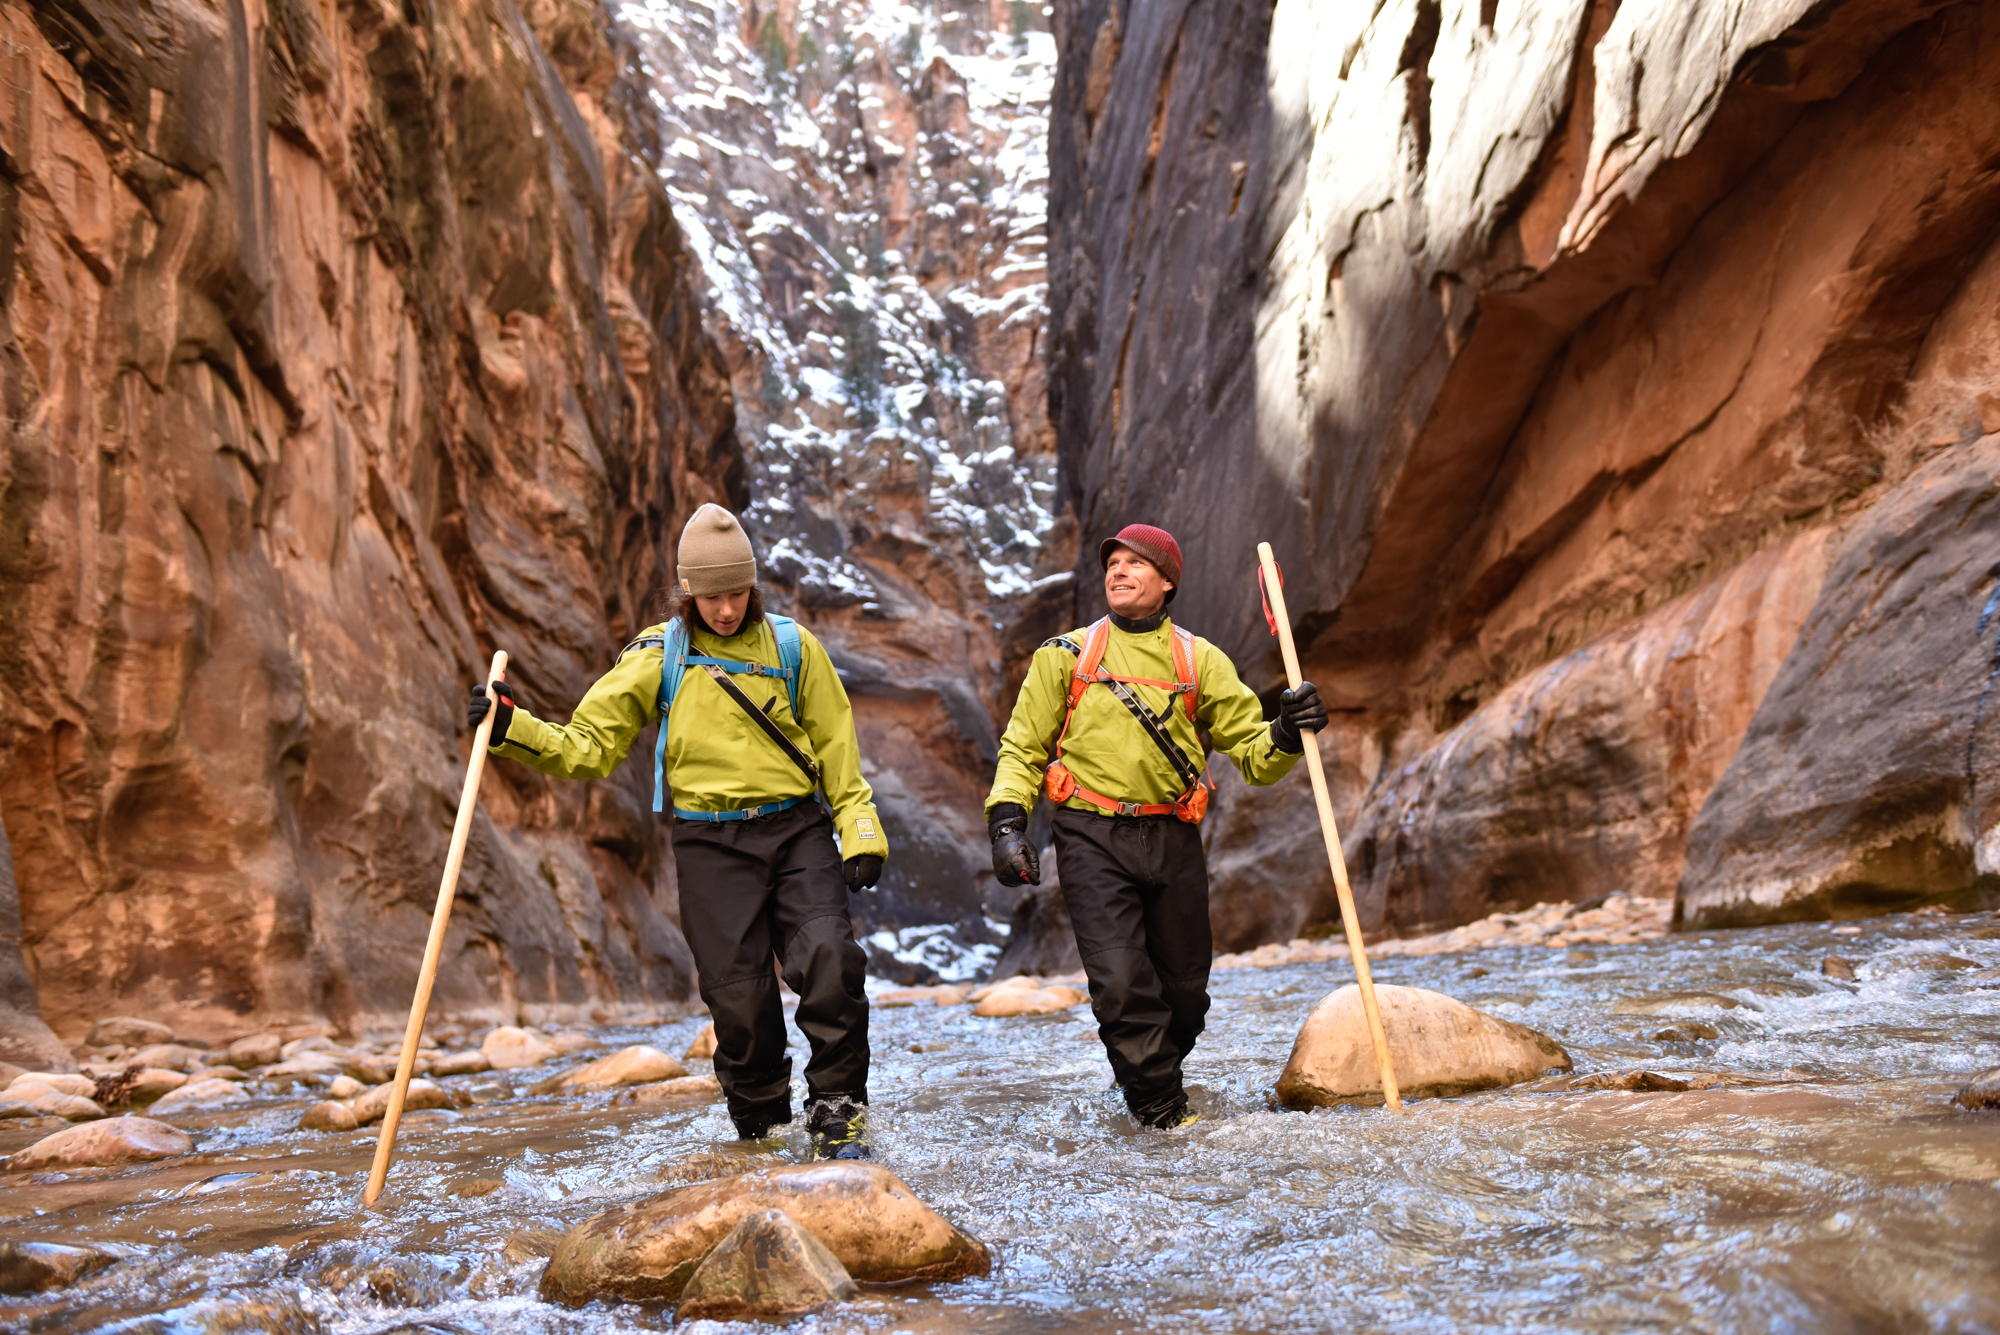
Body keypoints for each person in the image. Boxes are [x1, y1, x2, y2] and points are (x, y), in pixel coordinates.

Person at [466, 504, 888, 1158]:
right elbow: (587, 746)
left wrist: (860, 829)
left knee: (830, 957)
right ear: (687, 592)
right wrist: (511, 727)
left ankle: (838, 1113)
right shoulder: (657, 655)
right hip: (708, 845)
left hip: (797, 833)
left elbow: (837, 750)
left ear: (754, 584)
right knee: (740, 1007)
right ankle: (763, 1133)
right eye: (712, 595)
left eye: (737, 592)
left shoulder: (793, 647)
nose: (726, 608)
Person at [984, 524, 1327, 1129]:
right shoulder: (1063, 656)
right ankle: (1161, 1112)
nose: (1117, 571)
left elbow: (1254, 756)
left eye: (1135, 564)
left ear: (1167, 582)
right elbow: (1021, 750)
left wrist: (1284, 731)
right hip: (1090, 834)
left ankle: (1151, 1076)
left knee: (1186, 995)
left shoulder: (1200, 661)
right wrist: (1008, 822)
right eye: (1112, 562)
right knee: (1119, 983)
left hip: (1173, 836)